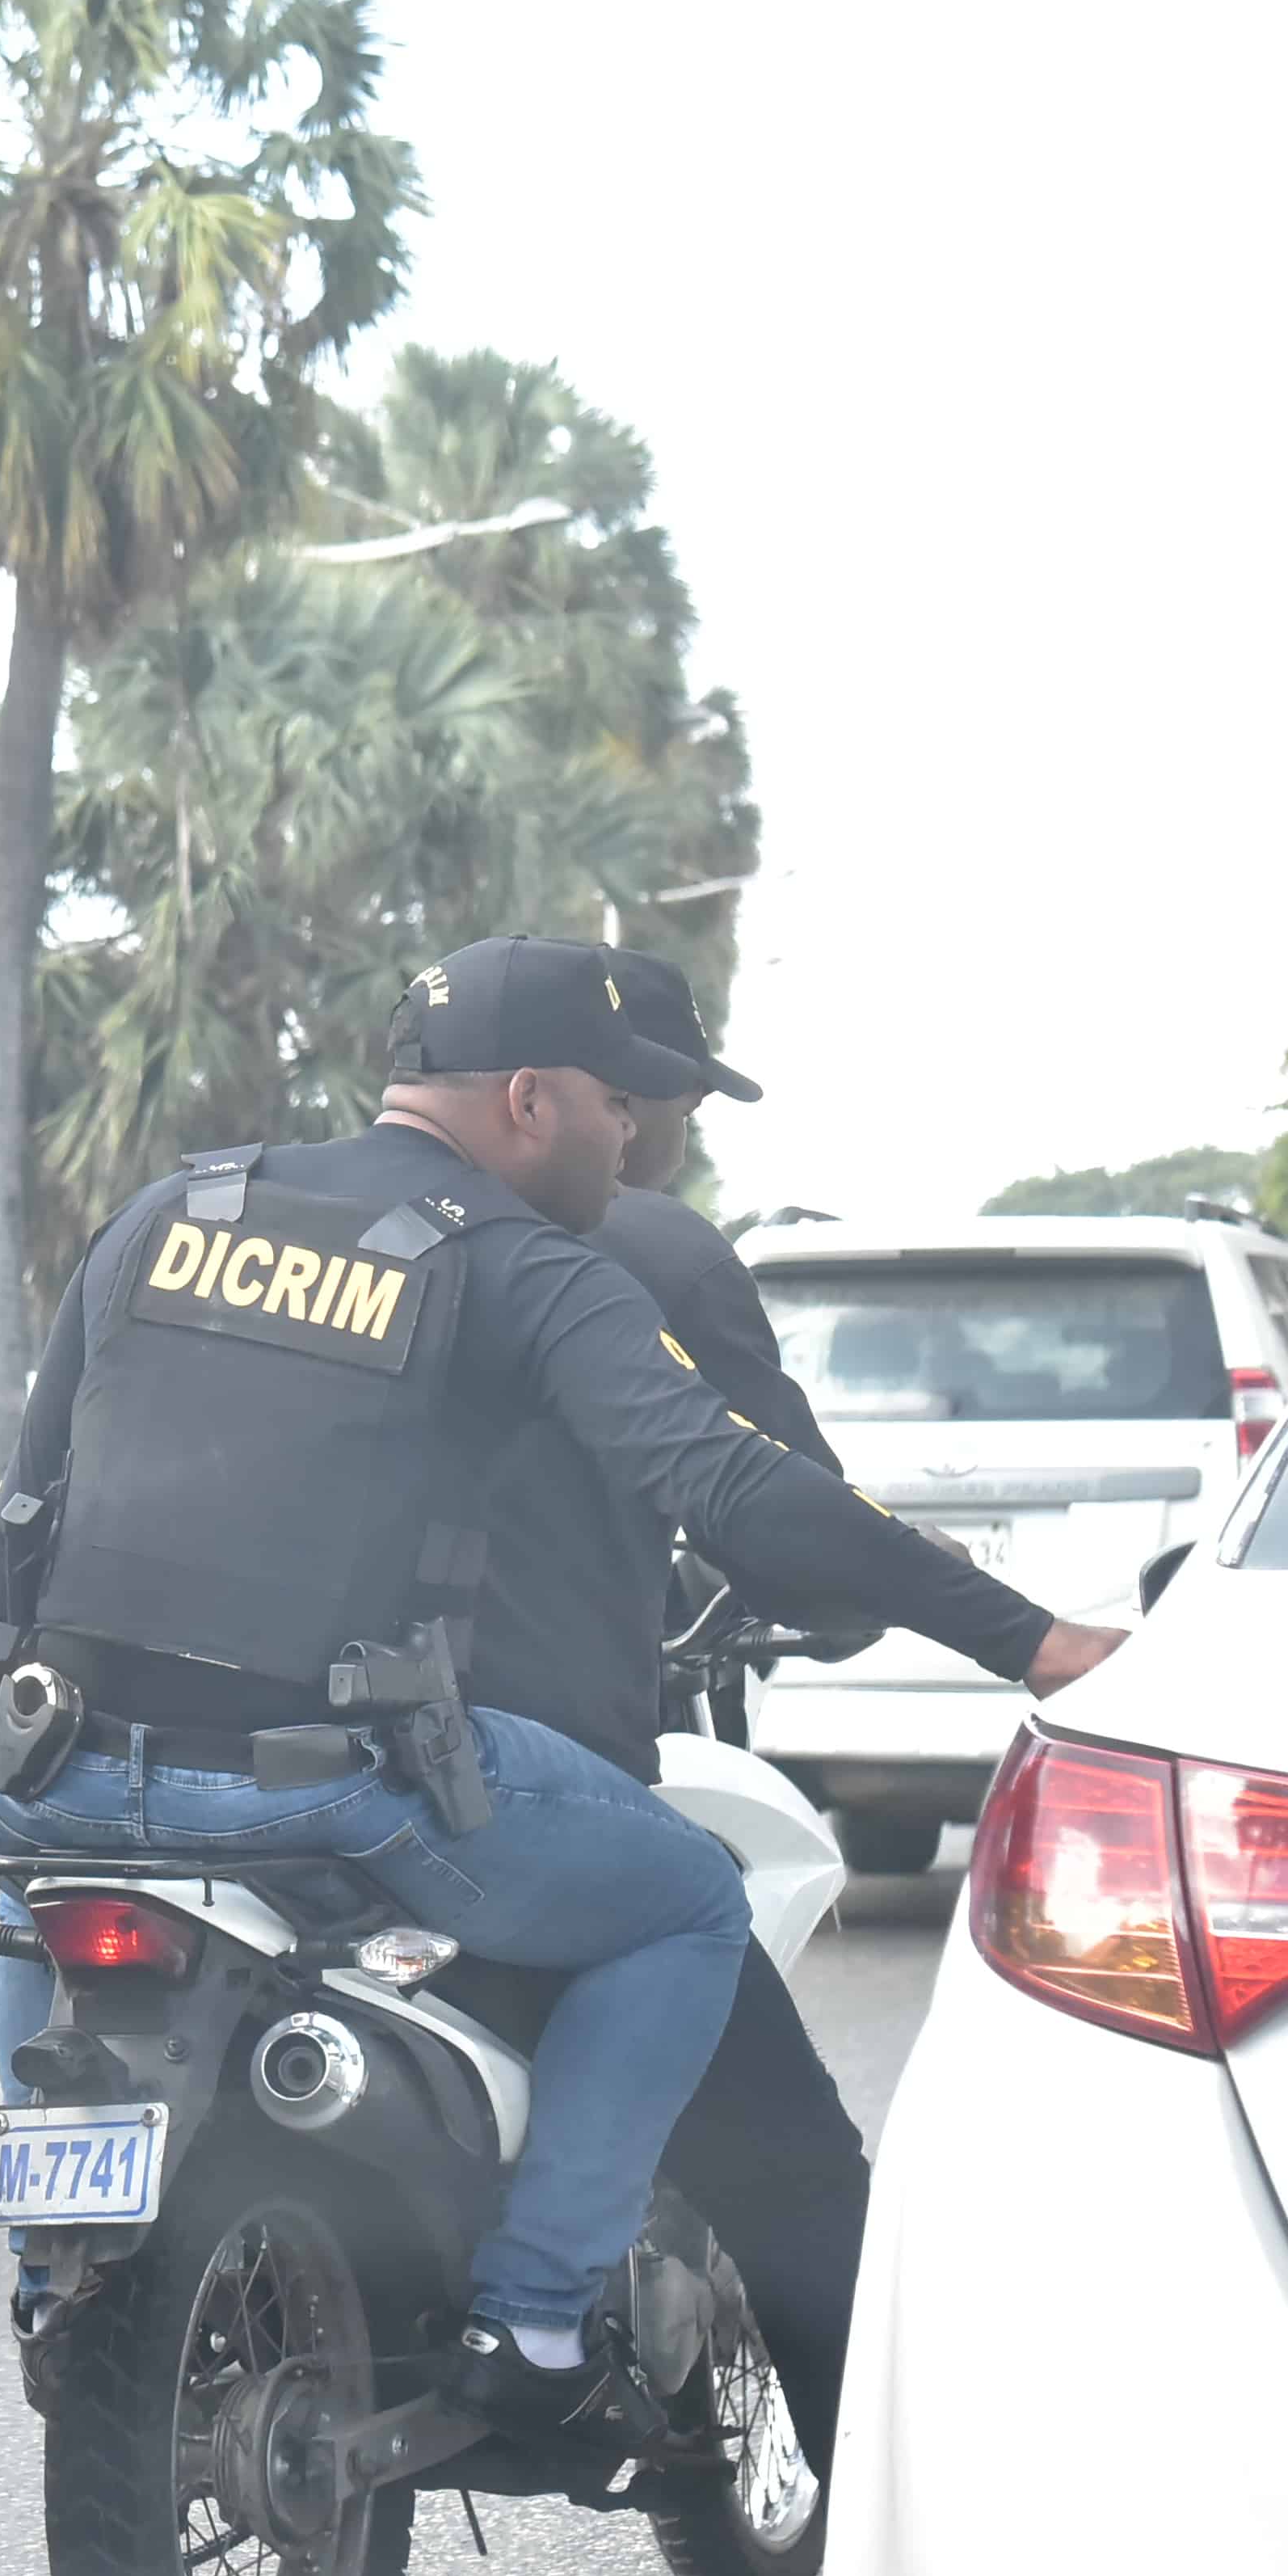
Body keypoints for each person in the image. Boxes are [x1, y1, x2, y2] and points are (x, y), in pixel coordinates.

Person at [0, 932, 1126, 2438]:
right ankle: (540, 2320)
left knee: (38, 1888)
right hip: (327, 1783)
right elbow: (729, 1481)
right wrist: (1031, 1641)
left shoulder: (170, 1212)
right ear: (533, 1101)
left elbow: (26, 1518)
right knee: (683, 1903)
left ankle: (53, 2272)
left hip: (64, 1766)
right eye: (617, 1105)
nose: (633, 1141)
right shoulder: (516, 1261)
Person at [455, 942, 884, 2470]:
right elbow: (774, 1497)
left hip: (281, 1749)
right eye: (680, 1102)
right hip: (541, 1772)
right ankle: (907, 2551)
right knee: (794, 2166)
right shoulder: (655, 1251)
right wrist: (862, 1593)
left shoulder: (338, 1231)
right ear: (615, 1114)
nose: (679, 1136)